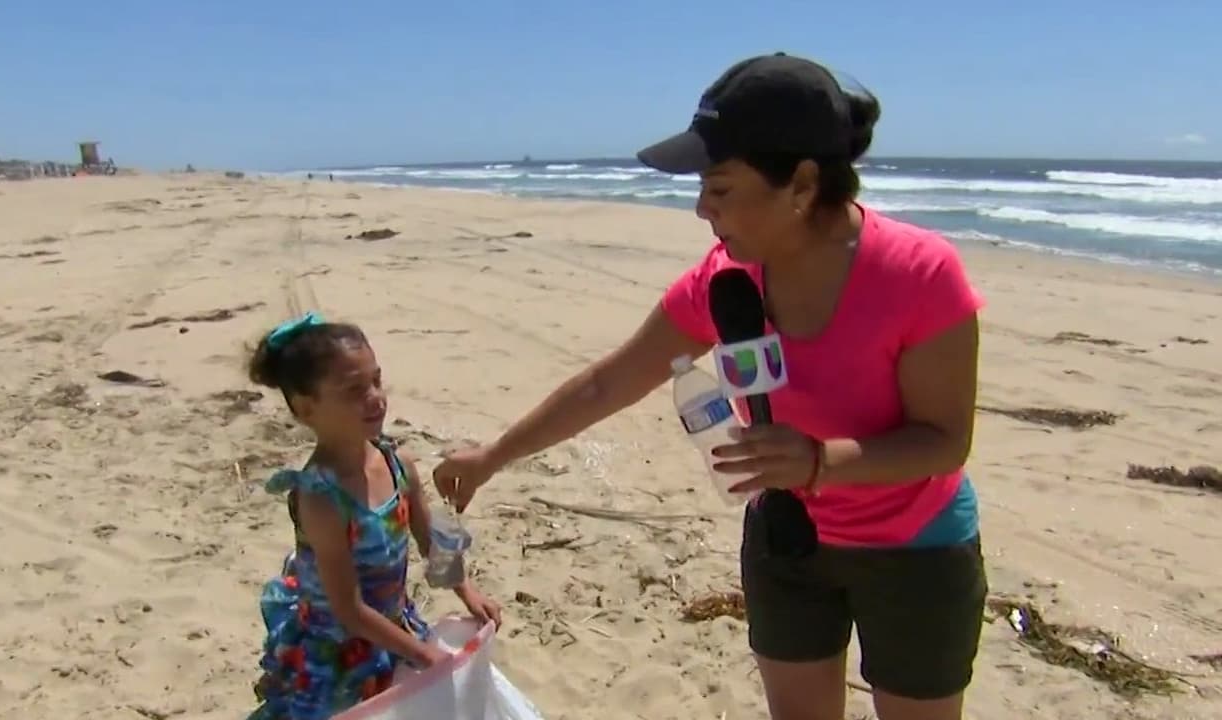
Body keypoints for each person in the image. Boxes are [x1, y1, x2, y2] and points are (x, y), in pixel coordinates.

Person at [433, 53, 986, 720]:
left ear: (803, 185)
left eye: (720, 190)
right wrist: (492, 457)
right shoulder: (725, 282)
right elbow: (607, 383)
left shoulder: (919, 275)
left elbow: (945, 441)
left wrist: (819, 461)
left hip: (917, 547)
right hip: (788, 541)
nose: (701, 208)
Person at [245, 311, 501, 720]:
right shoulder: (321, 498)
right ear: (307, 408)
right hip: (339, 650)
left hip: (393, 628)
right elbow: (347, 608)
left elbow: (428, 541)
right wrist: (420, 653)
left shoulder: (397, 463)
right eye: (354, 390)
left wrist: (466, 591)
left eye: (377, 381)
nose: (376, 397)